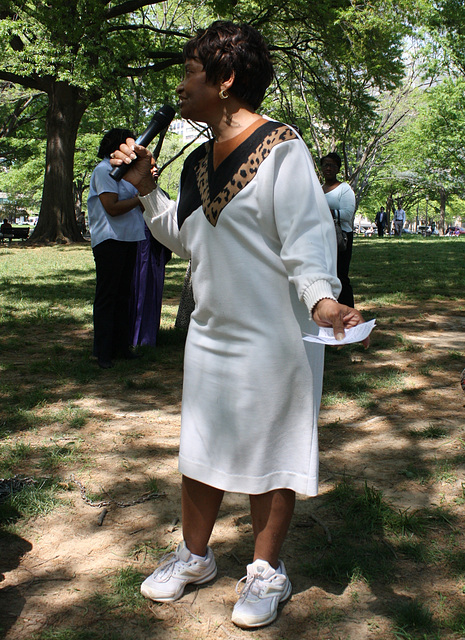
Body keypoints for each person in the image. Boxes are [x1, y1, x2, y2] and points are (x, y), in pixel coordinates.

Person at [111, 20, 368, 629]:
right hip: (211, 333)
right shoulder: (197, 160)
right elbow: (188, 240)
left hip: (275, 336)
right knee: (200, 450)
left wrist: (322, 300)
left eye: (188, 73)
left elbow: (306, 236)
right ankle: (195, 557)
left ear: (224, 80)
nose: (179, 85)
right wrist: (148, 193)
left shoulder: (283, 146)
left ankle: (266, 570)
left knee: (271, 452)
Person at [87, 128, 146, 369]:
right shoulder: (104, 171)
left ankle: (121, 346)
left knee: (124, 295)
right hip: (109, 240)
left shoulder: (128, 174)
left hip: (129, 238)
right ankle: (102, 351)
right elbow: (111, 206)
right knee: (108, 296)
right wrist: (141, 198)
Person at [320, 152, 356, 307]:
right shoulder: (317, 188)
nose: (328, 168)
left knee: (340, 275)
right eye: (325, 165)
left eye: (332, 165)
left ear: (338, 169)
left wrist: (327, 213)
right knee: (325, 275)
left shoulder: (344, 189)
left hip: (341, 237)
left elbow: (348, 214)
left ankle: (347, 309)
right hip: (322, 237)